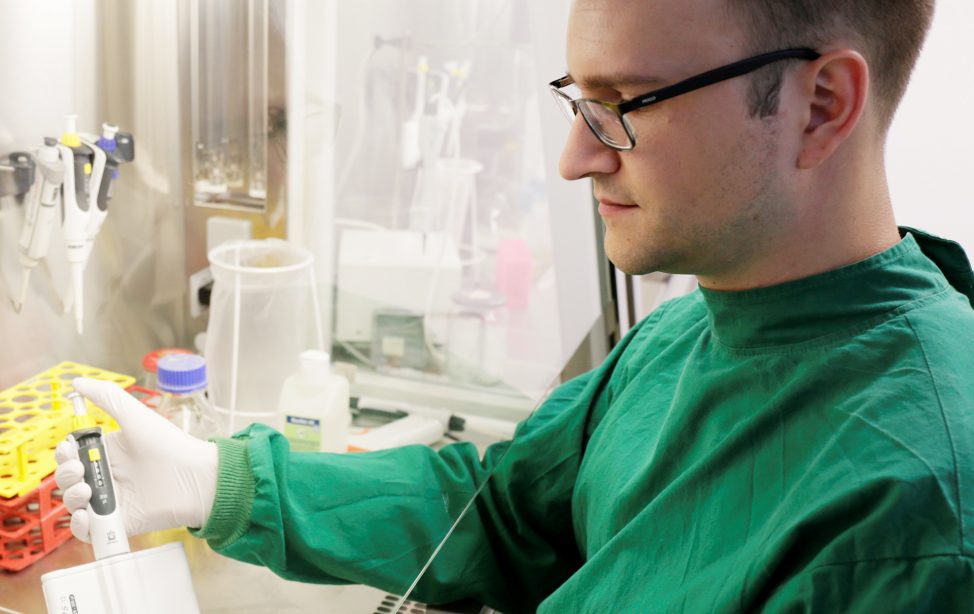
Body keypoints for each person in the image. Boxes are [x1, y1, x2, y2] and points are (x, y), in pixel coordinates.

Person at [57, 0, 974, 611]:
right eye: (581, 98)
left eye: (625, 103)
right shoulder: (691, 330)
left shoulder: (919, 512)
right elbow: (504, 512)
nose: (575, 157)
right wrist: (218, 482)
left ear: (820, 105)